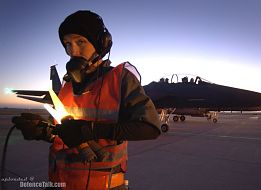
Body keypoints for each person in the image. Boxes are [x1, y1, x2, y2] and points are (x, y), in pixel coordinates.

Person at [12, 10, 161, 190]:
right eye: (67, 44)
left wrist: (90, 130)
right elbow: (65, 134)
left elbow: (151, 129)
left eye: (80, 42)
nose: (72, 51)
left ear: (101, 44)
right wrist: (44, 131)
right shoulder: (67, 87)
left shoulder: (120, 79)